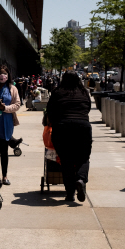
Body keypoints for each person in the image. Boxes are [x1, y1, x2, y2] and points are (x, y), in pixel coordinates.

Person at [45, 71, 92, 202]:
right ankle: (81, 179)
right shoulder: (83, 92)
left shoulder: (57, 92)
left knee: (66, 161)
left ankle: (70, 194)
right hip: (82, 126)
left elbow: (50, 110)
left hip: (62, 127)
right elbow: (87, 108)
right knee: (83, 157)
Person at [0, 65, 21, 185]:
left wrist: (5, 108)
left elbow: (17, 105)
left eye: (5, 73)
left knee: (4, 151)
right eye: (0, 73)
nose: (2, 76)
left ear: (8, 75)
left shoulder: (12, 88)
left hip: (6, 122)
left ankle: (4, 176)